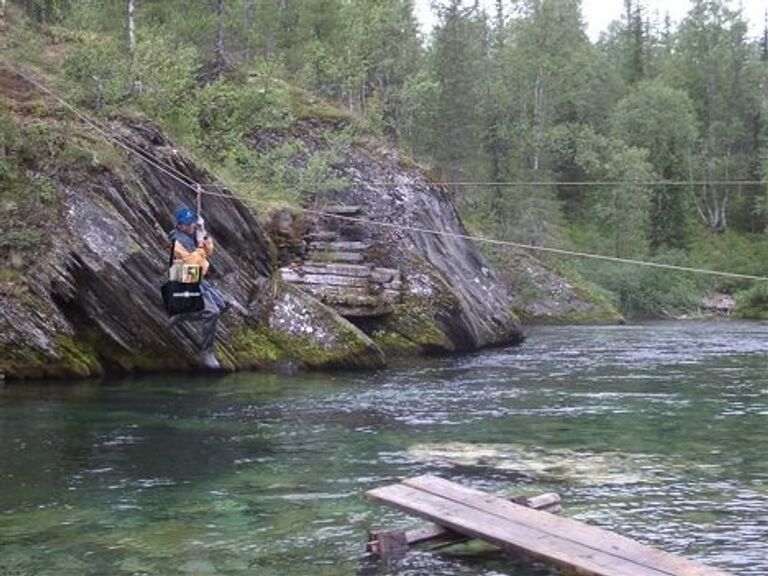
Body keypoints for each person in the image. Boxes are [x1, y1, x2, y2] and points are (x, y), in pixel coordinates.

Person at [168, 205, 242, 370]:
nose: (191, 226)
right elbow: (193, 262)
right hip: (182, 279)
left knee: (223, 305)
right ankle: (206, 352)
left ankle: (182, 315)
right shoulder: (177, 241)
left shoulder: (193, 234)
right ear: (179, 225)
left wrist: (204, 234)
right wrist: (200, 245)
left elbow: (209, 251)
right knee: (212, 311)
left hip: (195, 278)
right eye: (187, 224)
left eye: (192, 223)